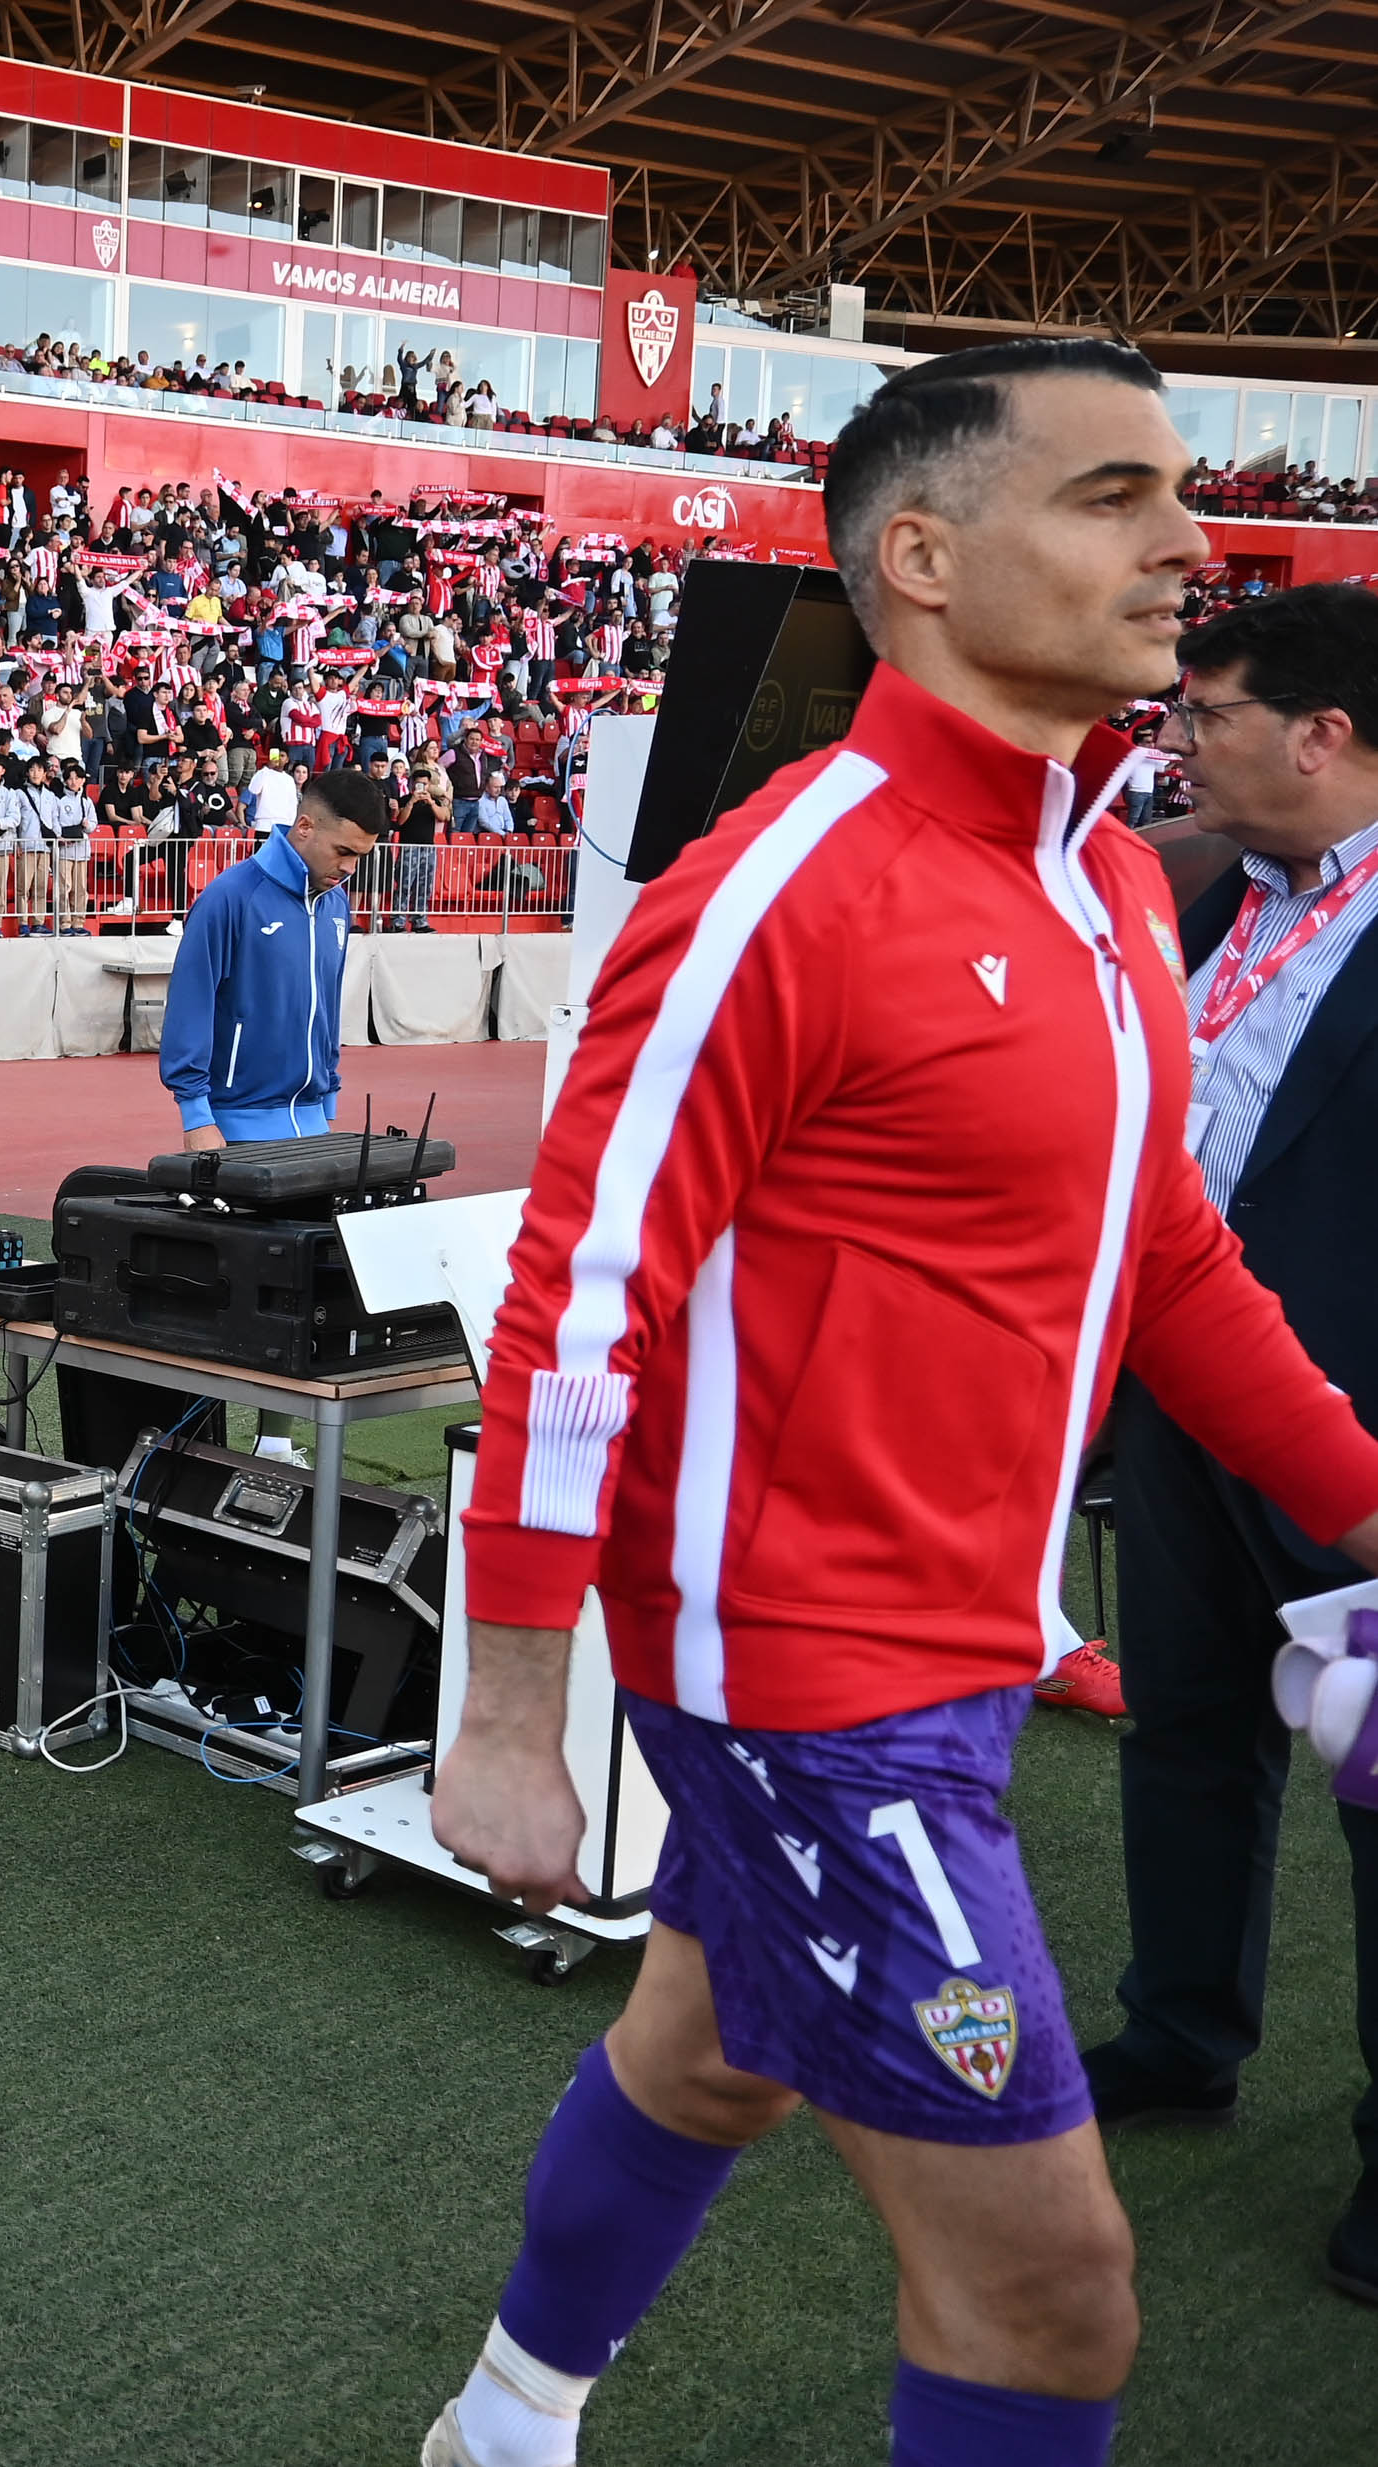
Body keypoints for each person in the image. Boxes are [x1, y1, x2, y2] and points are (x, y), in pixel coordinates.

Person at [422, 339, 1378, 2467]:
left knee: (705, 2058)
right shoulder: (775, 886)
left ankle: (497, 2426)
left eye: (1180, 489)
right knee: (1049, 2298)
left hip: (956, 1645)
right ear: (923, 558)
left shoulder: (1112, 877)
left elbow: (1164, 1261)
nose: (1183, 541)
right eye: (1110, 494)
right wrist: (497, 1713)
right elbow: (579, 1302)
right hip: (798, 1680)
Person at [1082, 580, 1378, 2302]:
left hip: (1346, 1421)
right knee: (1187, 1728)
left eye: (1208, 715)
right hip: (1185, 1400)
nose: (1177, 742)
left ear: (1323, 734)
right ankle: (1182, 2032)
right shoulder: (1205, 896)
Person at [156, 763, 379, 1460]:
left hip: (310, 1124)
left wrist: (331, 1094)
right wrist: (197, 1113)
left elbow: (327, 1007)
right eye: (344, 851)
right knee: (237, 1294)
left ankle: (275, 1444)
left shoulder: (336, 902)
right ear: (303, 827)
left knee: (304, 1289)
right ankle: (196, 1449)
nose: (350, 869)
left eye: (362, 858)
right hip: (237, 1123)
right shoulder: (230, 899)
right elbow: (189, 1007)